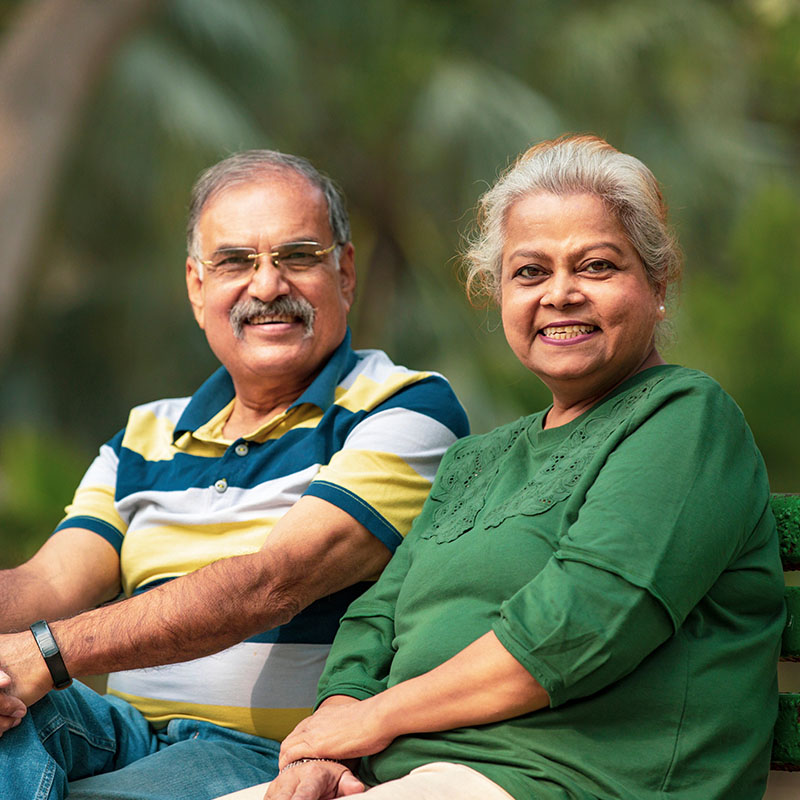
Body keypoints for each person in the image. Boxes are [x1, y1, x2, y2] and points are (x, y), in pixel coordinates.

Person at [217, 135, 785, 800]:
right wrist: (330, 734)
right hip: (399, 779)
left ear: (657, 287)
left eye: (597, 266)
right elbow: (375, 620)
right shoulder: (475, 460)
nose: (561, 294)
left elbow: (575, 630)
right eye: (530, 272)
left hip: (569, 783)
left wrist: (373, 720)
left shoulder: (685, 419)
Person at [0, 150, 469, 800]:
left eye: (298, 256)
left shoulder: (404, 406)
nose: (268, 285)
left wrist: (46, 654)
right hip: (117, 728)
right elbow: (50, 581)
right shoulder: (147, 434)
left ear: (346, 271)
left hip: (268, 754)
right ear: (197, 287)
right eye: (235, 262)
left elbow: (271, 582)